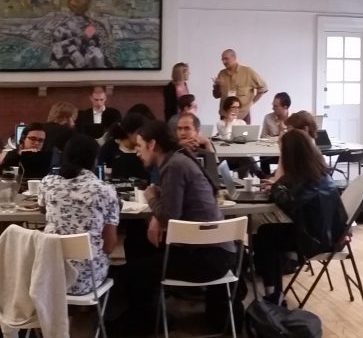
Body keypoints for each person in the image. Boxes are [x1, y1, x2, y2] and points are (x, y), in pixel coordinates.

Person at [135, 118, 234, 287]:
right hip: (214, 249)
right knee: (141, 246)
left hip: (208, 257)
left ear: (152, 145)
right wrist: (157, 207)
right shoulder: (177, 160)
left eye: (139, 146)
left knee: (132, 273)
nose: (137, 153)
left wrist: (151, 197)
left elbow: (169, 217)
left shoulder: (173, 166)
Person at [250, 129, 346, 300]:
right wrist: (276, 185)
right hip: (327, 233)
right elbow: (293, 193)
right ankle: (273, 288)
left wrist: (276, 186)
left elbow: (288, 202)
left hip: (319, 240)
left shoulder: (308, 180)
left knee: (265, 235)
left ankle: (274, 294)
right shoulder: (316, 173)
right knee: (267, 232)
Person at [40, 138, 121, 297]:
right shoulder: (105, 190)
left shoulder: (47, 183)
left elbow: (42, 208)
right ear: (94, 160)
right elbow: (109, 246)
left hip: (49, 279)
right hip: (88, 281)